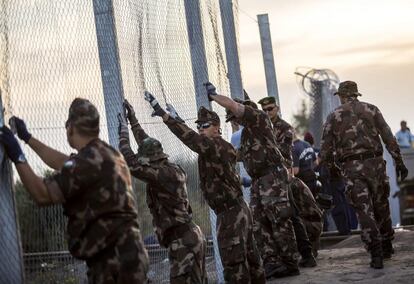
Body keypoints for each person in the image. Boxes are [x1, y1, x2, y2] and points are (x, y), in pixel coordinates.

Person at [0, 98, 149, 283]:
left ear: (70, 127)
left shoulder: (86, 162)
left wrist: (18, 156)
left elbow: (42, 195)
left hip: (113, 264)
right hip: (129, 256)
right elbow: (62, 162)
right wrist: (27, 138)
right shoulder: (107, 154)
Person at [143, 92, 265, 283]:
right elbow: (197, 141)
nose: (200, 128)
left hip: (231, 214)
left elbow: (192, 140)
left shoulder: (216, 146)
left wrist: (165, 116)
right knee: (251, 257)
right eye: (198, 125)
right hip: (236, 209)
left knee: (234, 264)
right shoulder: (216, 147)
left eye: (205, 125)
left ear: (217, 128)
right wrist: (178, 120)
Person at [207, 84, 299, 279]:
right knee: (258, 222)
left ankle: (290, 263)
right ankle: (272, 262)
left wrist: (214, 96)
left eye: (235, 119)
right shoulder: (248, 133)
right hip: (259, 180)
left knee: (279, 219)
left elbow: (235, 106)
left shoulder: (259, 119)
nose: (235, 123)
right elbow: (238, 155)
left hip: (272, 177)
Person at [320, 81, 409, 269]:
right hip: (375, 165)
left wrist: (333, 168)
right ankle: (386, 245)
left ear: (342, 96)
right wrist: (399, 162)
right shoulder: (372, 109)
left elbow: (325, 151)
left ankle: (375, 252)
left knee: (364, 210)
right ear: (356, 94)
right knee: (381, 205)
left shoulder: (333, 116)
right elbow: (388, 137)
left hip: (352, 167)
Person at [118, 100, 207, 284]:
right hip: (188, 237)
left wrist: (123, 134)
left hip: (183, 241)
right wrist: (133, 120)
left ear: (151, 160)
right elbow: (146, 143)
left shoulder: (161, 175)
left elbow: (132, 163)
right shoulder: (169, 169)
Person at [257, 96, 317, 267]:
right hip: (268, 179)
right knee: (282, 216)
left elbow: (284, 153)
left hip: (282, 176)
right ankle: (295, 255)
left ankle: (306, 254)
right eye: (265, 110)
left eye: (270, 109)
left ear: (277, 108)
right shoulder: (263, 126)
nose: (268, 112)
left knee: (292, 215)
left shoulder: (284, 128)